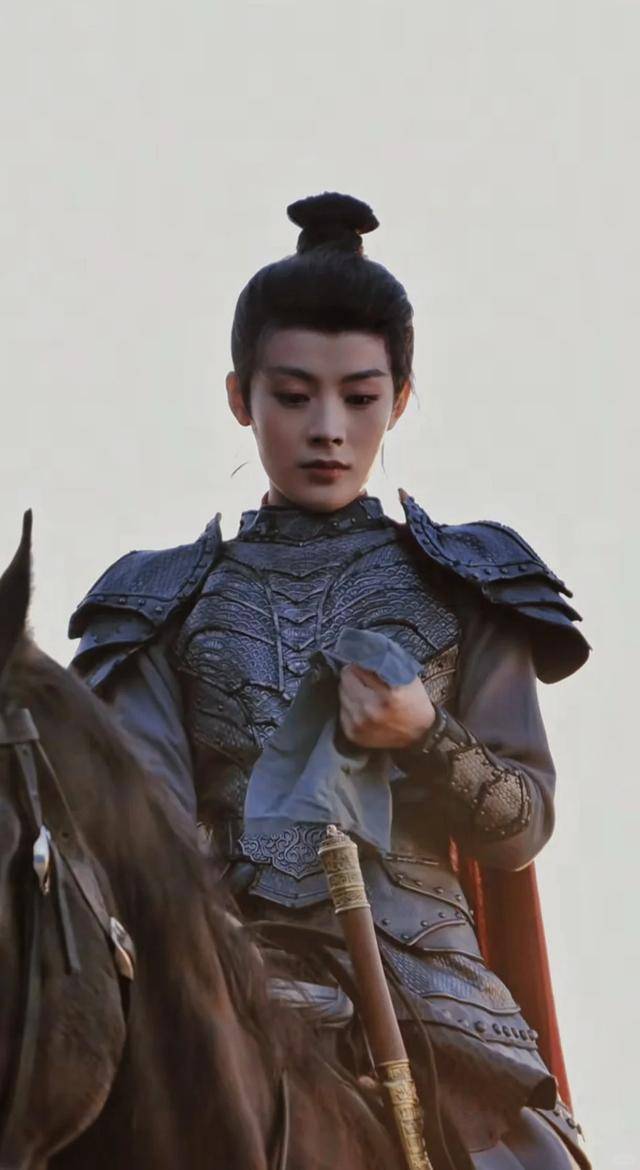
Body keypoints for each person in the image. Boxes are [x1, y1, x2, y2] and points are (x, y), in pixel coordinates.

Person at [69, 192, 592, 1168]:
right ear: (241, 398)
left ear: (400, 399)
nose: (326, 429)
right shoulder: (160, 602)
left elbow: (520, 828)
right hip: (227, 990)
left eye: (358, 398)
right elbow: (135, 835)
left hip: (435, 1003)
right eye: (292, 395)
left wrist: (424, 735)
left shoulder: (467, 582)